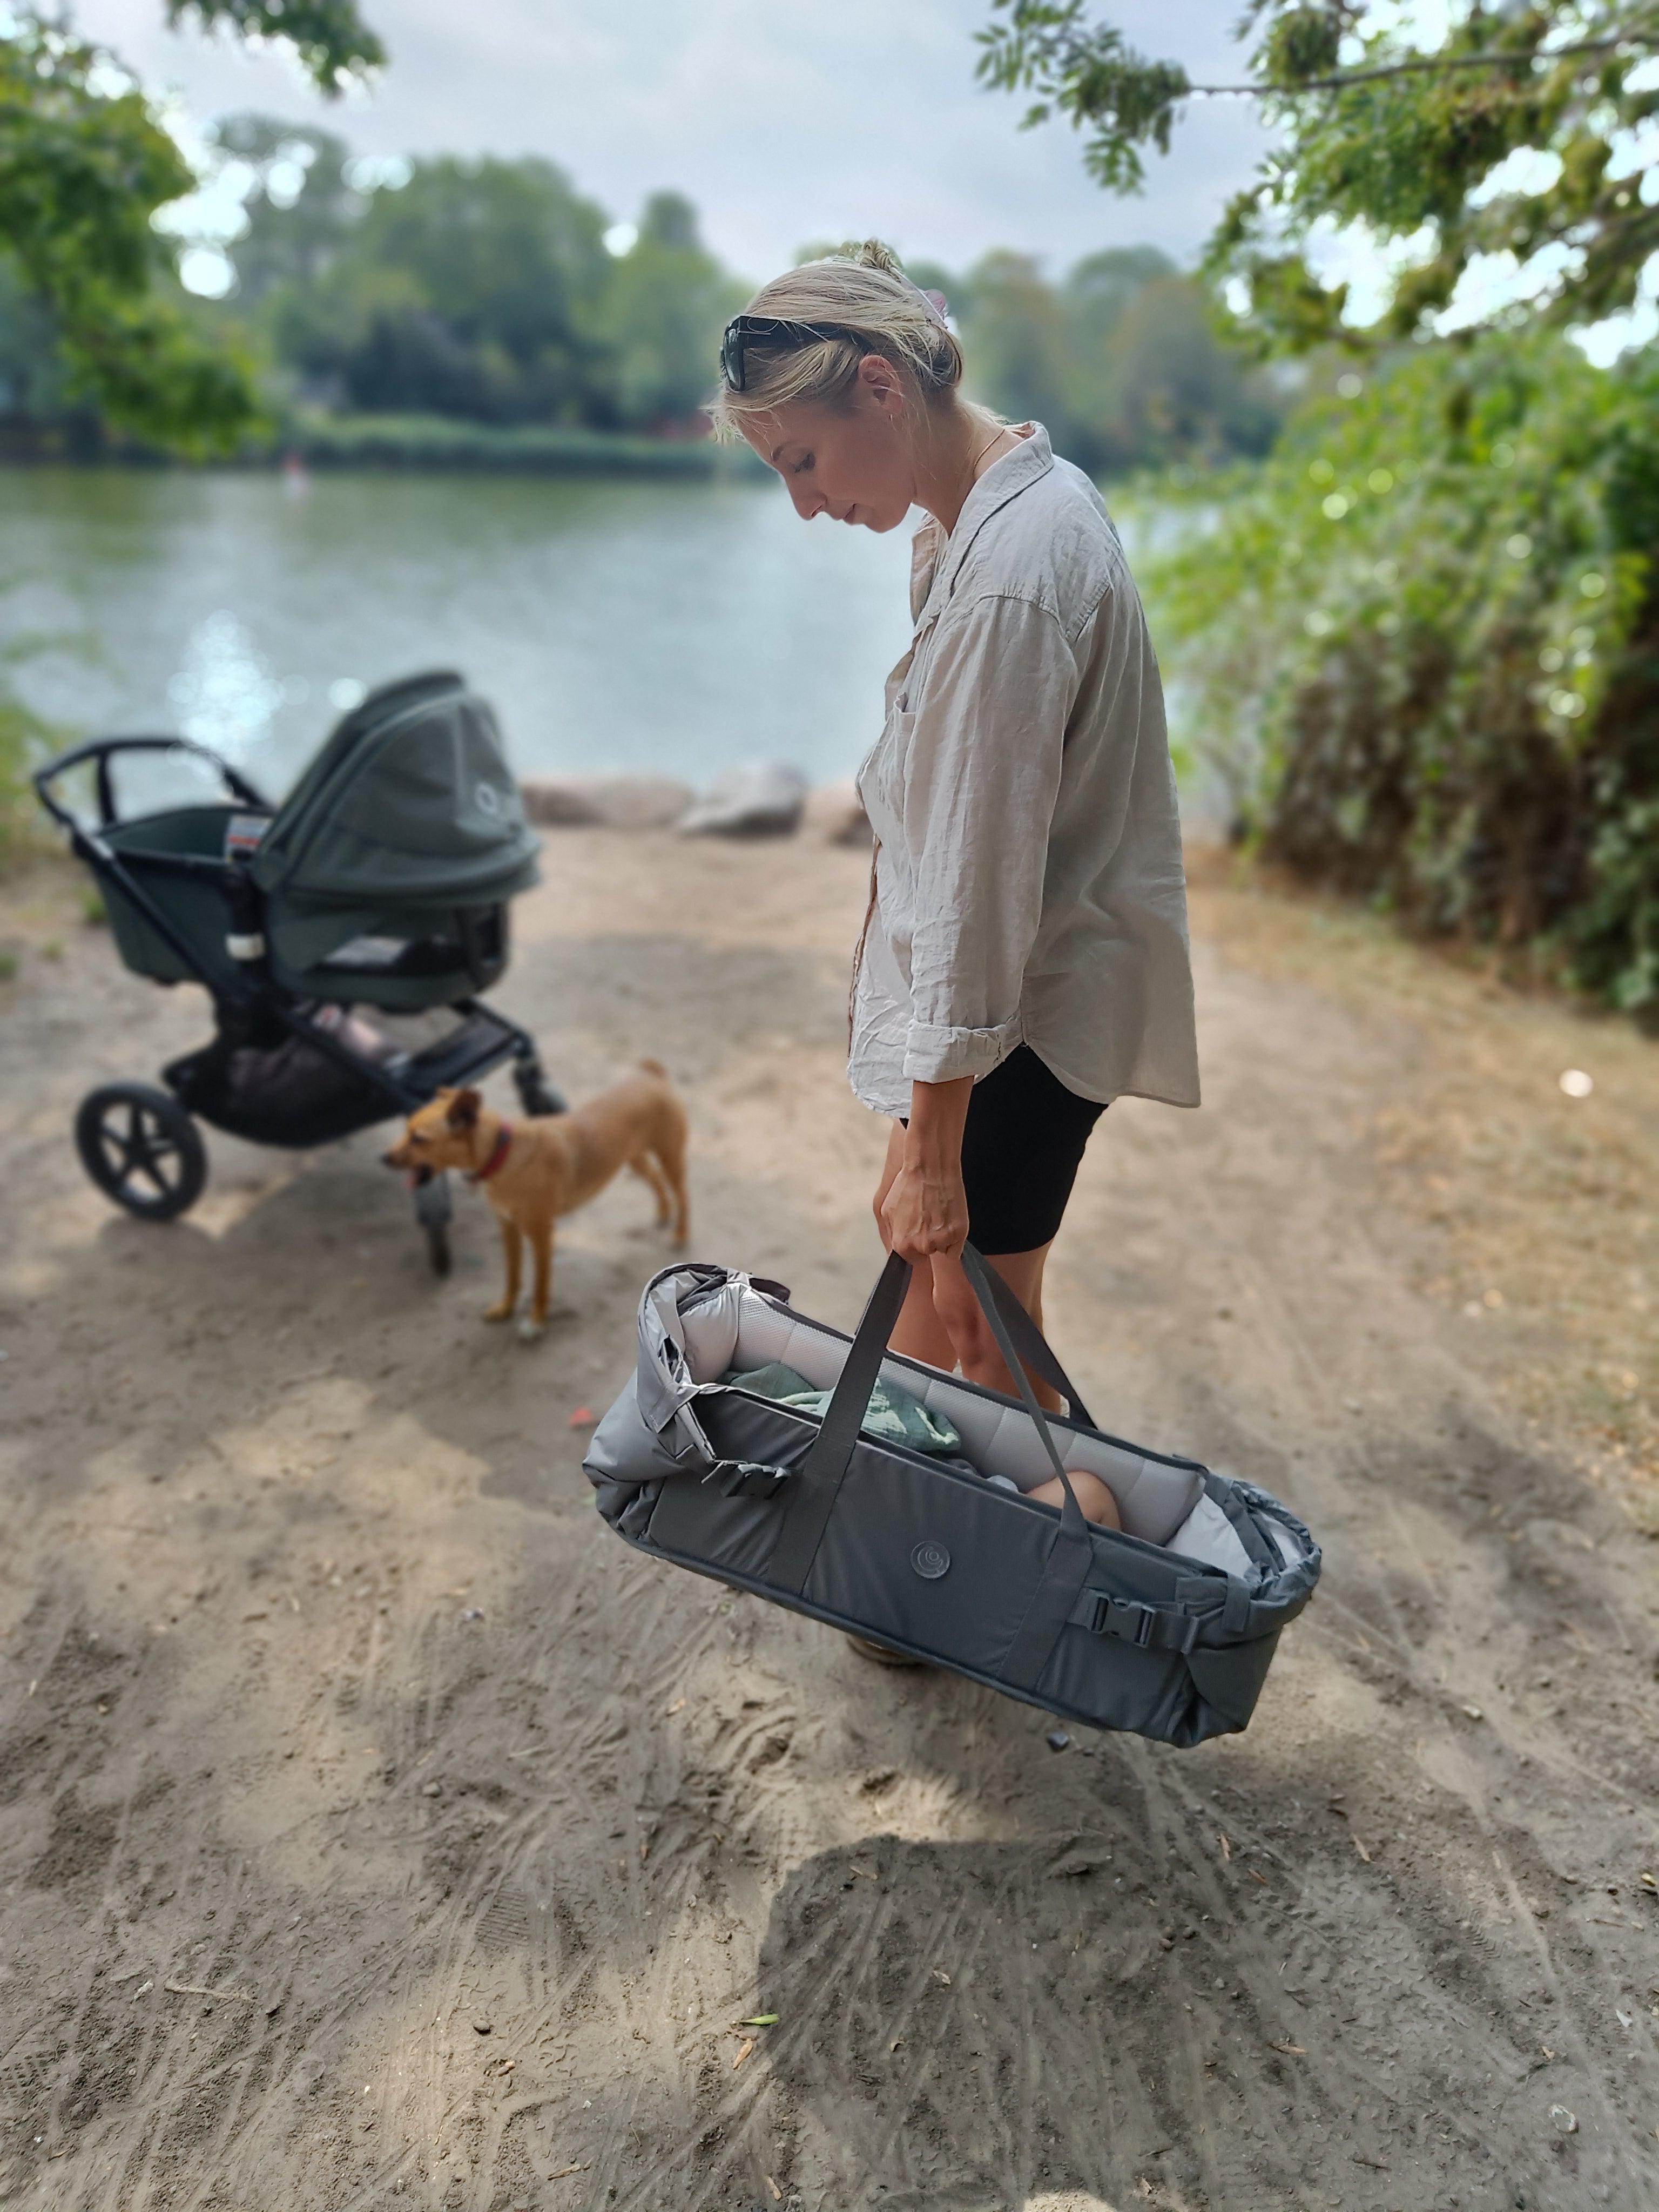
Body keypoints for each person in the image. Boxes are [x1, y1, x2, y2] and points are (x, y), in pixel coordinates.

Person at [711, 242, 1199, 1560]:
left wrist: (929, 1146)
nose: (806, 507)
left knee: (976, 1350)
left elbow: (984, 886)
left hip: (1019, 1027)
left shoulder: (1008, 578)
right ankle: (963, 1559)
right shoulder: (974, 522)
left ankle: (1073, 1553)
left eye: (803, 462)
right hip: (1001, 1025)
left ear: (880, 388)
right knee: (949, 1337)